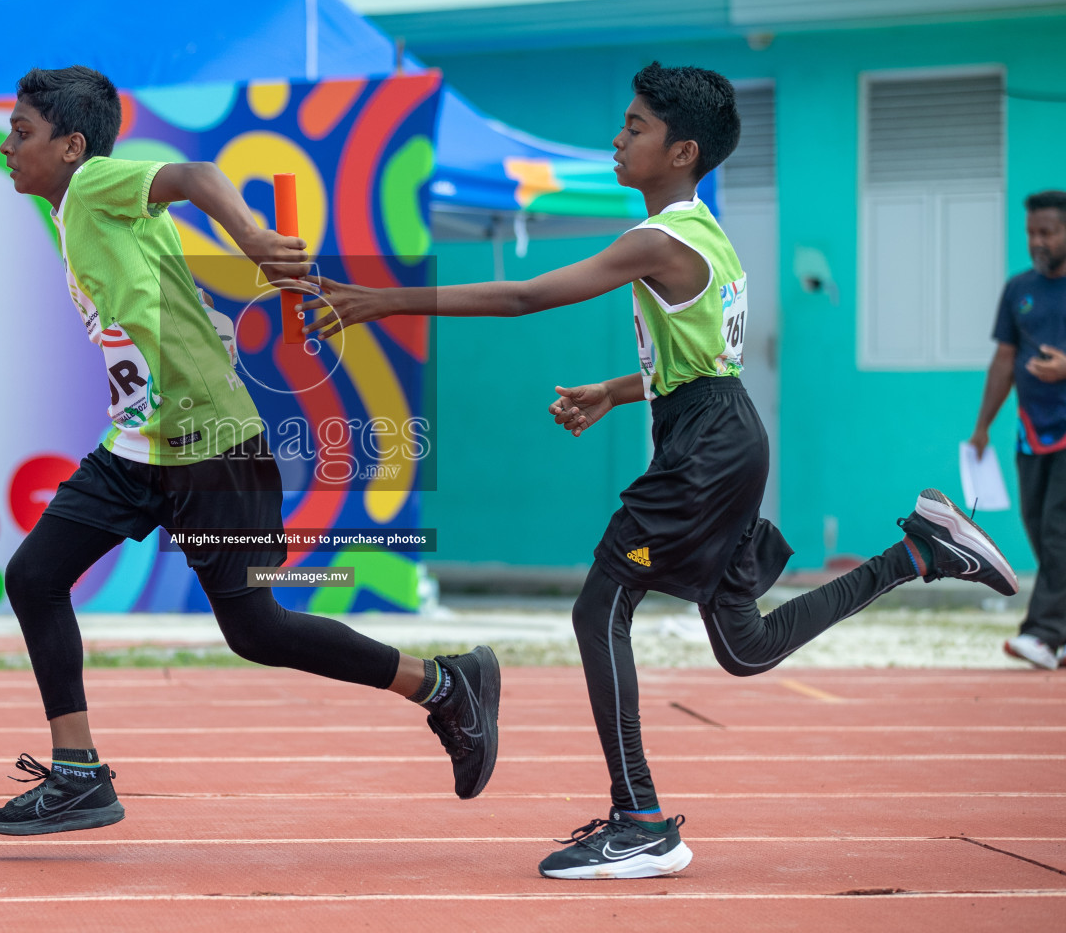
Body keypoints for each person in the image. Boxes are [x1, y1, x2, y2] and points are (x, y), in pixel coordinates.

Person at [296, 62, 1018, 879]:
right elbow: (701, 363)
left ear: (683, 150)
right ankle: (918, 552)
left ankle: (639, 818)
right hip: (716, 434)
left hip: (707, 447)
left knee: (601, 604)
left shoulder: (661, 238)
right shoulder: (703, 234)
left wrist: (380, 301)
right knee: (743, 647)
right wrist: (613, 389)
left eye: (635, 126)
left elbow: (528, 296)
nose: (617, 136)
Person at [0, 66, 499, 837]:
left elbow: (195, 172)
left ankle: (445, 685)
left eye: (22, 133)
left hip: (212, 443)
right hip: (140, 446)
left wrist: (251, 236)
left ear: (72, 146)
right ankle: (79, 774)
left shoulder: (91, 187)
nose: (7, 145)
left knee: (257, 630)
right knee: (35, 576)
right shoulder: (75, 210)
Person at [970, 190, 1066, 671]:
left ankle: (1043, 634)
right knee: (1037, 525)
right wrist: (983, 425)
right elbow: (1004, 359)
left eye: (1047, 232)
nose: (1037, 241)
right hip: (1033, 432)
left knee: (1057, 531)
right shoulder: (1018, 290)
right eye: (1031, 232)